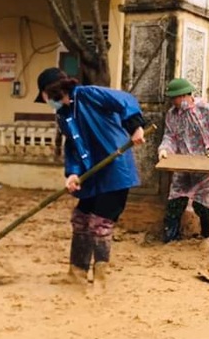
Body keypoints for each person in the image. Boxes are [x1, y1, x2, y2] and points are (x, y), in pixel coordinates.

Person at [35, 67, 147, 291]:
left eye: (45, 97)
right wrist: (73, 173)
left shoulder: (88, 94)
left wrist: (135, 127)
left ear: (52, 91)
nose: (46, 102)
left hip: (114, 170)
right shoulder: (63, 115)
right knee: (80, 218)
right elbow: (73, 147)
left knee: (99, 223)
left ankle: (100, 280)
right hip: (91, 174)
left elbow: (125, 100)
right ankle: (76, 273)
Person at [157, 78, 209, 245]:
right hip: (184, 163)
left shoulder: (207, 110)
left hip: (208, 163)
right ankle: (171, 238)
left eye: (174, 98)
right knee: (176, 199)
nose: (172, 102)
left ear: (184, 95)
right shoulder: (172, 115)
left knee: (203, 203)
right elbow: (170, 136)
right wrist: (165, 149)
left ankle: (207, 235)